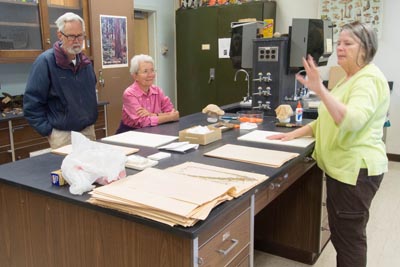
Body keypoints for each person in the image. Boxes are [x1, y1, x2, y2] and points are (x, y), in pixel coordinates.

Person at [268, 21, 390, 267]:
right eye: (339, 43)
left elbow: (350, 120)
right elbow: (327, 118)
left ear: (365, 49)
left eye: (348, 43)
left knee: (349, 241)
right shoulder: (351, 78)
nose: (340, 49)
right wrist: (293, 134)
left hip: (355, 173)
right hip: (344, 170)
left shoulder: (367, 80)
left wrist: (319, 89)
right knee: (344, 236)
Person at [23, 12, 97, 149]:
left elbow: (91, 92)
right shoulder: (45, 62)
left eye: (80, 35)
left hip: (87, 132)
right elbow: (31, 104)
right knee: (65, 170)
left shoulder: (85, 63)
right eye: (71, 36)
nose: (76, 40)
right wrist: (49, 131)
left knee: (91, 169)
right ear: (60, 35)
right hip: (62, 135)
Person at [116, 54, 179, 133]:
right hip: (131, 133)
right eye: (145, 71)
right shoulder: (129, 94)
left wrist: (151, 114)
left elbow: (172, 112)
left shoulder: (158, 91)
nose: (150, 75)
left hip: (154, 130)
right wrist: (169, 117)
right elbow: (143, 122)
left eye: (152, 70)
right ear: (135, 76)